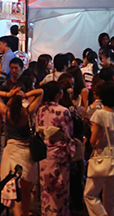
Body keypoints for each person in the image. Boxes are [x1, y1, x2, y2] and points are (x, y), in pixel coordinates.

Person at [0, 86, 44, 216]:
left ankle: (16, 213)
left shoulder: (6, 112)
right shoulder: (28, 112)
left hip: (11, 151)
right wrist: (24, 94)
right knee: (26, 189)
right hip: (26, 152)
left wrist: (9, 93)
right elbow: (40, 92)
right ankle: (25, 213)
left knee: (12, 186)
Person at [83, 81, 114, 216]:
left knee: (90, 194)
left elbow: (93, 141)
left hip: (103, 153)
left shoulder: (99, 114)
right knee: (112, 195)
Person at [35, 81, 74, 216]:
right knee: (60, 192)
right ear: (59, 94)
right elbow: (68, 134)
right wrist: (71, 152)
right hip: (59, 154)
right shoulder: (63, 111)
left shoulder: (40, 110)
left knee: (46, 191)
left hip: (44, 154)